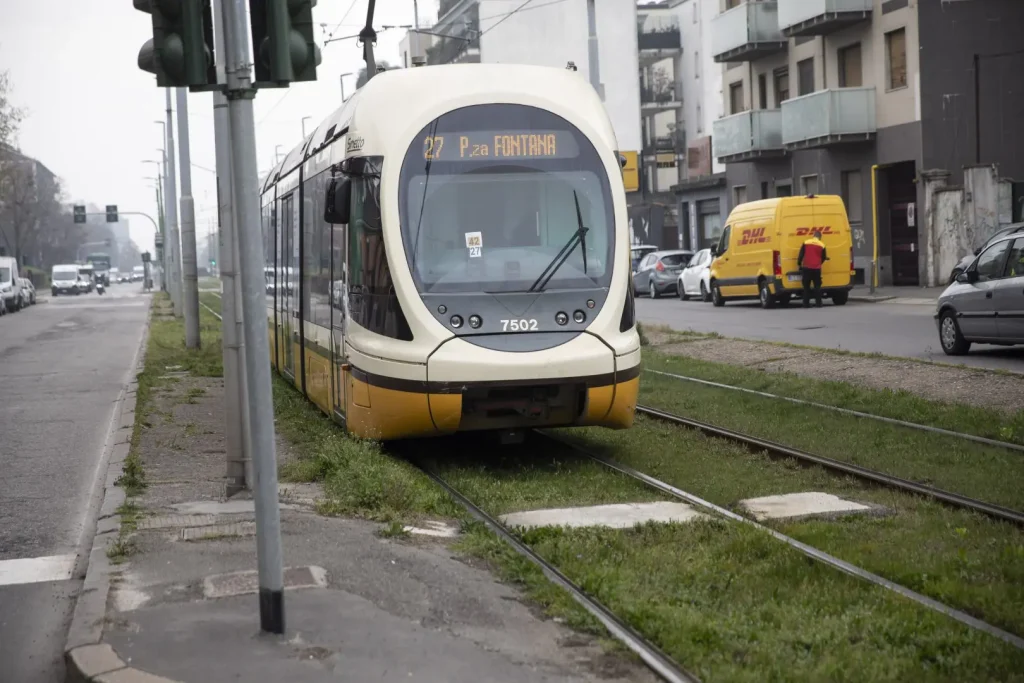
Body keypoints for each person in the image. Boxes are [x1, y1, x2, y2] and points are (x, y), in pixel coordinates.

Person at [797, 229, 828, 308]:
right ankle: (818, 303)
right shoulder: (822, 245)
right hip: (816, 268)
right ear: (820, 237)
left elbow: (801, 255)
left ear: (813, 235)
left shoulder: (806, 242)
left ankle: (806, 304)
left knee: (806, 287)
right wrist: (819, 263)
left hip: (806, 267)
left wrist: (799, 264)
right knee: (817, 286)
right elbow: (824, 257)